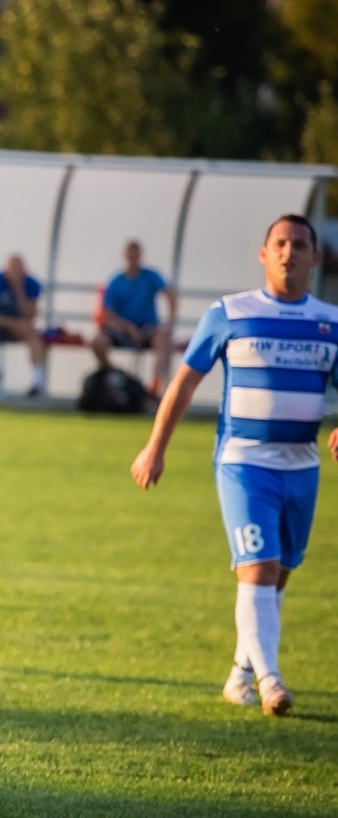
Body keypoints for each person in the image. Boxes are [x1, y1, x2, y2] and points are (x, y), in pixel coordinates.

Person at [130, 215, 338, 716]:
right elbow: (184, 382)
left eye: (300, 245)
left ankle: (240, 673)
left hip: (302, 466)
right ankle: (271, 681)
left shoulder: (331, 322)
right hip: (244, 463)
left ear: (315, 257)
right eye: (280, 243)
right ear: (264, 254)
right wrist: (155, 447)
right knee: (259, 568)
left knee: (279, 574)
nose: (289, 252)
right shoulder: (229, 313)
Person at [90, 240, 177, 392]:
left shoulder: (150, 276)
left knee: (163, 342)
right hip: (122, 330)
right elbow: (107, 315)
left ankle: (156, 387)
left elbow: (170, 294)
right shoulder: (116, 281)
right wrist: (128, 328)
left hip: (147, 328)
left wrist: (170, 323)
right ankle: (111, 375)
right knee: (97, 342)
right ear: (125, 256)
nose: (133, 259)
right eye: (130, 255)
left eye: (136, 255)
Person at [0, 254, 48, 397]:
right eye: (12, 269)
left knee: (33, 336)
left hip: (17, 327)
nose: (15, 273)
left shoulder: (31, 284)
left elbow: (30, 315)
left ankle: (36, 384)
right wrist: (13, 323)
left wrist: (18, 291)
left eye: (18, 269)